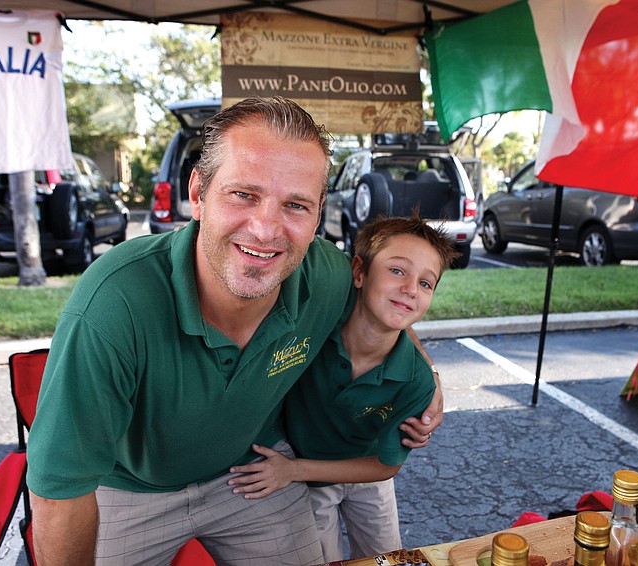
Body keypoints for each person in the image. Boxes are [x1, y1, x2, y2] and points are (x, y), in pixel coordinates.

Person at [25, 96, 442, 566]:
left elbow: (386, 309)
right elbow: (59, 491)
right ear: (199, 194)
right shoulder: (114, 302)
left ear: (319, 214)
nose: (266, 230)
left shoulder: (325, 274)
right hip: (130, 489)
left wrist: (430, 376)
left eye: (295, 205)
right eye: (244, 194)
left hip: (251, 472)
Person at [227, 214, 457, 561]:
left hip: (359, 470)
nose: (411, 288)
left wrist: (293, 470)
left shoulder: (417, 381)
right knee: (323, 559)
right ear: (359, 272)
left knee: (387, 557)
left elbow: (386, 465)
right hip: (308, 475)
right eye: (397, 270)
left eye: (426, 283)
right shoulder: (317, 323)